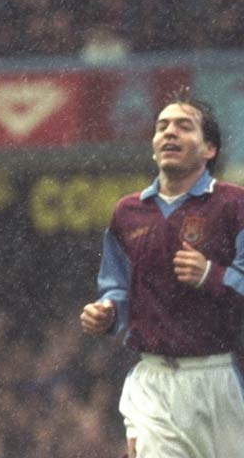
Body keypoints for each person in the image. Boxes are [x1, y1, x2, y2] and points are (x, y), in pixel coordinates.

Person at [80, 91, 244, 458]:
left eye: (184, 127)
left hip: (222, 377)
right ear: (154, 146)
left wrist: (210, 275)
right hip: (153, 381)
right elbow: (116, 288)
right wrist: (106, 311)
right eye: (162, 127)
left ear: (209, 149)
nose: (169, 133)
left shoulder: (235, 205)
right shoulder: (127, 212)